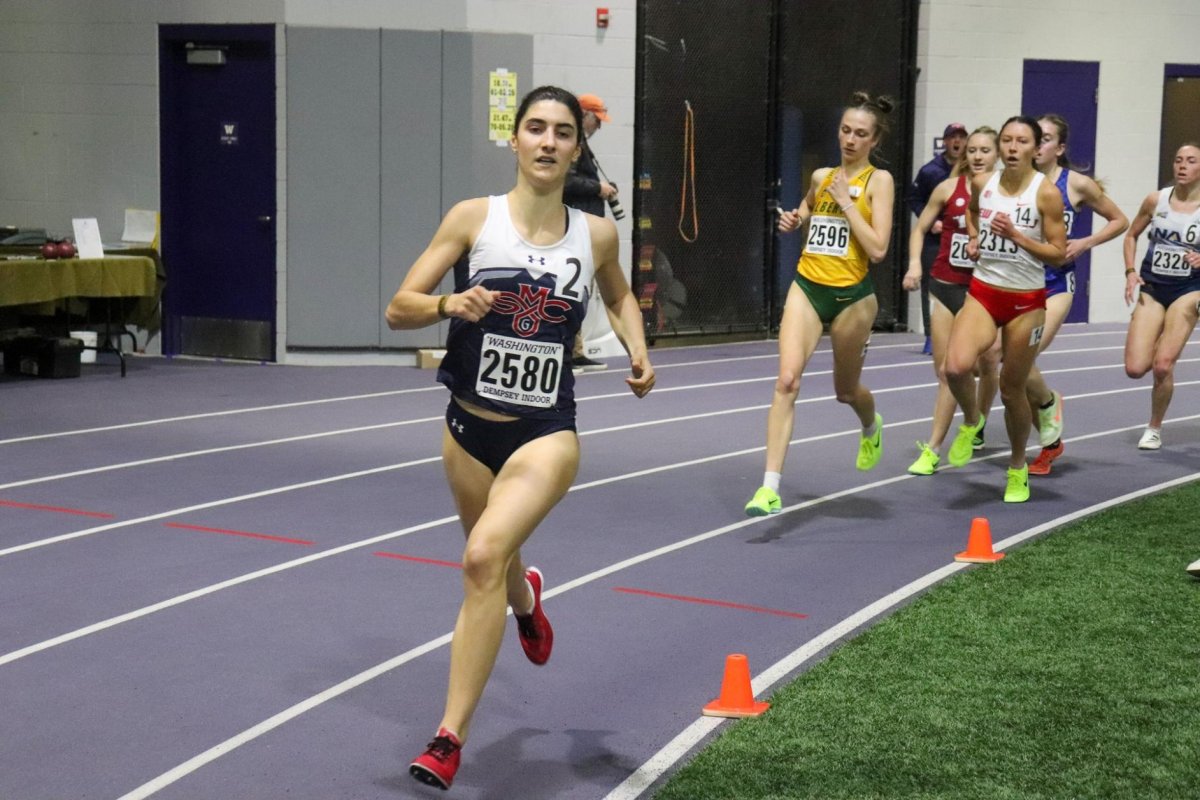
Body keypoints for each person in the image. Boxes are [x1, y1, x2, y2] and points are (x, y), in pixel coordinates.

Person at [386, 85, 655, 790]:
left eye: (562, 132)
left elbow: (619, 291)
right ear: (514, 140)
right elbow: (398, 308)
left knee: (480, 559)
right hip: (468, 429)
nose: (547, 142)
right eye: (534, 128)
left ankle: (448, 739)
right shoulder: (474, 219)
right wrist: (450, 300)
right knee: (496, 562)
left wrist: (638, 347)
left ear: (576, 147)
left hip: (545, 432)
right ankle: (527, 603)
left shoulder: (595, 233)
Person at [744, 91, 896, 516]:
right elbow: (808, 208)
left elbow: (879, 248)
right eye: (845, 130)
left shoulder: (878, 182)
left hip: (853, 298)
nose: (849, 139)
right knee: (787, 381)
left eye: (860, 134)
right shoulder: (821, 175)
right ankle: (769, 487)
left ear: (873, 141)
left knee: (845, 392)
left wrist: (848, 203)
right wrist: (795, 219)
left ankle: (871, 424)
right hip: (808, 286)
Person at [942, 115, 1066, 503]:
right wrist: (977, 236)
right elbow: (973, 211)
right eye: (1007, 141)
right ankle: (972, 421)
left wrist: (1017, 236)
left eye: (1022, 141)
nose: (1013, 148)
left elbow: (1059, 253)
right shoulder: (983, 183)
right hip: (984, 291)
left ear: (1035, 149)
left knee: (1012, 391)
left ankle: (1016, 467)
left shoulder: (1045, 193)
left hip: (1026, 301)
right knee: (956, 367)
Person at [1023, 114, 1129, 475]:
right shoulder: (1018, 182)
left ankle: (1048, 410)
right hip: (1019, 282)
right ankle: (1048, 441)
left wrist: (1085, 241)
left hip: (1056, 284)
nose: (1037, 145)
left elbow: (1119, 220)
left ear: (1060, 148)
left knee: (1021, 360)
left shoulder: (1076, 185)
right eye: (1034, 137)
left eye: (1046, 139)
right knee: (1005, 367)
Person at [902, 126, 1002, 475]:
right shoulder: (946, 189)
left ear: (997, 155)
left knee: (988, 363)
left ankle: (978, 424)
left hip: (984, 291)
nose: (976, 156)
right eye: (971, 150)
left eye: (984, 150)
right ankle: (935, 448)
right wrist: (915, 263)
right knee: (946, 371)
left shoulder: (1006, 194)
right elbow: (919, 228)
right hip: (945, 284)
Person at [1122, 142, 1200, 451]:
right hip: (1153, 288)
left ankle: (1154, 427)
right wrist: (1130, 271)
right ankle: (1156, 336)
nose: (1182, 165)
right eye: (1178, 159)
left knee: (1163, 365)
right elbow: (1130, 235)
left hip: (1189, 289)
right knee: (1135, 368)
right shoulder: (1156, 200)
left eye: (1191, 161)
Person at [563, 92, 619, 373]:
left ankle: (576, 350)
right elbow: (567, 182)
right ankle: (568, 352)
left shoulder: (582, 145)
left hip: (585, 224)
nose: (599, 126)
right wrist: (599, 188)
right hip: (577, 224)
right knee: (573, 291)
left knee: (581, 290)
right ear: (585, 115)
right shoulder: (573, 145)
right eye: (597, 120)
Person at [907, 122, 969, 355]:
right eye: (952, 137)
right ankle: (932, 336)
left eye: (962, 138)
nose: (957, 142)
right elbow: (914, 199)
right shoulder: (930, 171)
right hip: (936, 239)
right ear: (944, 142)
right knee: (931, 286)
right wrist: (931, 222)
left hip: (963, 239)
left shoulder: (974, 171)